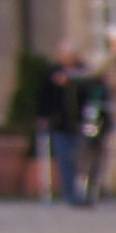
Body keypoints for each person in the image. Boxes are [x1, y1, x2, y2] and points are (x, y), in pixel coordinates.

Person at [38, 43, 95, 205]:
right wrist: (42, 116)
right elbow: (44, 96)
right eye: (65, 54)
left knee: (83, 159)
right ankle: (70, 194)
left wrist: (72, 81)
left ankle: (85, 193)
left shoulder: (84, 73)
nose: (68, 58)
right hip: (60, 123)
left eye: (71, 55)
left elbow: (91, 92)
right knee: (64, 159)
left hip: (81, 122)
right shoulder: (52, 73)